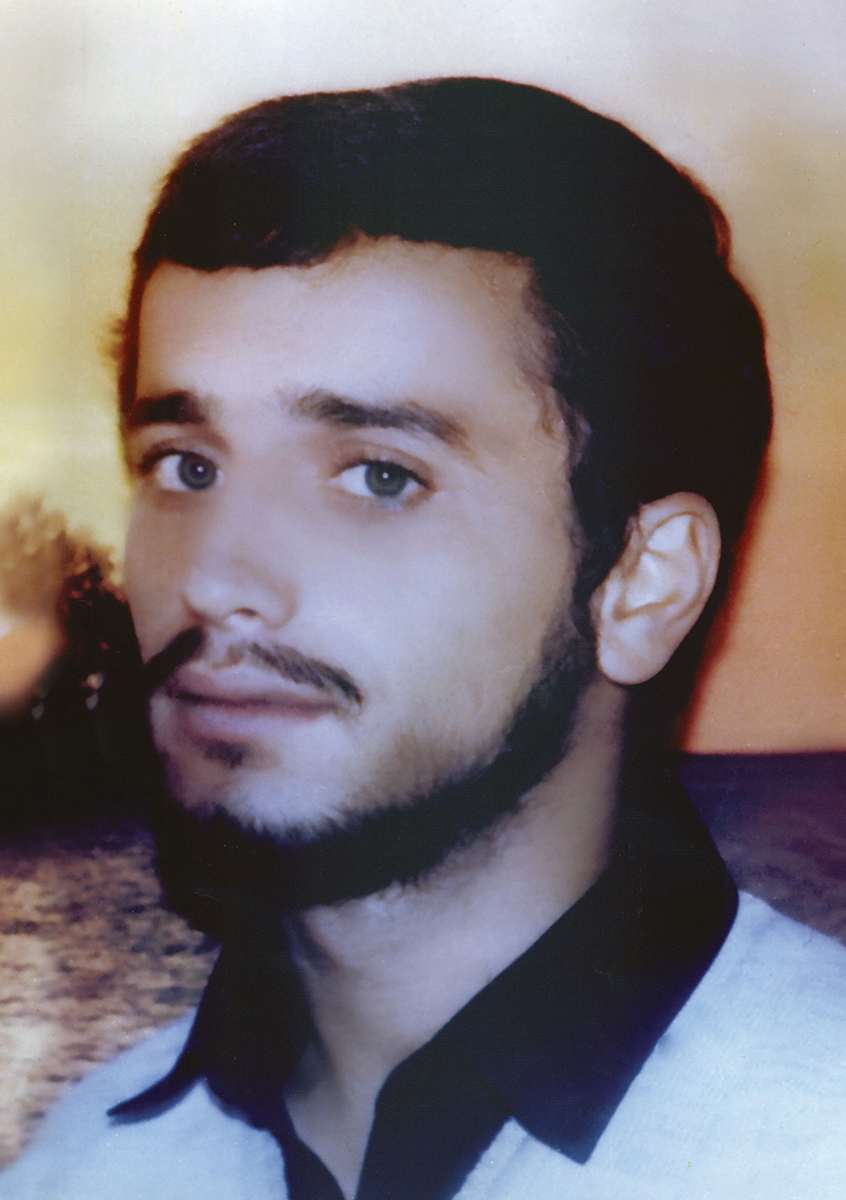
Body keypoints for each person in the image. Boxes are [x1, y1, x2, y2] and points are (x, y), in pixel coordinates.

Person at [4, 76, 844, 1199]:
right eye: (187, 467)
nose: (213, 578)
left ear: (642, 585)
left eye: (379, 476)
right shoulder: (85, 1170)